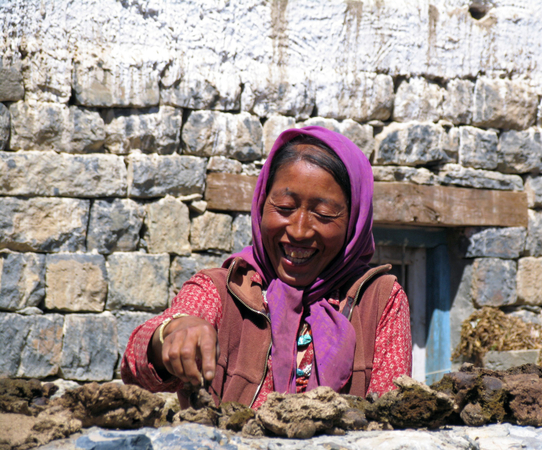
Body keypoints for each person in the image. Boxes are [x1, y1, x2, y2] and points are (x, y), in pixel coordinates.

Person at [121, 126, 412, 409]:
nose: (299, 231)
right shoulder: (223, 291)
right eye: (284, 207)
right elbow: (135, 367)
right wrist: (171, 333)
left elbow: (392, 416)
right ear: (261, 205)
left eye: (323, 214)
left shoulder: (380, 301)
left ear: (354, 222)